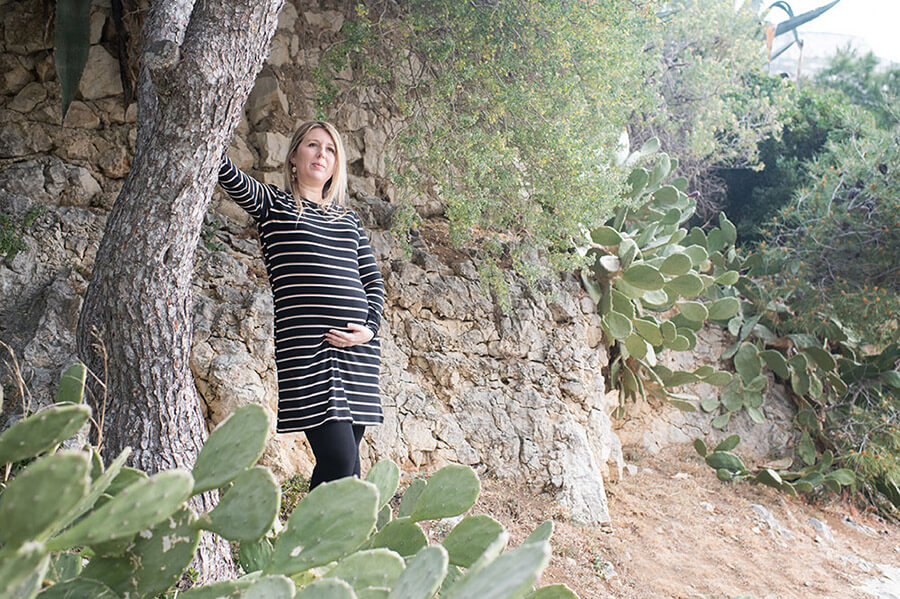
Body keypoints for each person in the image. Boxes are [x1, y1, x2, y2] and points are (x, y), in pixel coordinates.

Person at [217, 120, 385, 490]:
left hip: (358, 355)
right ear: (293, 156)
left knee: (341, 467)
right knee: (341, 460)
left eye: (330, 149)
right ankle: (324, 545)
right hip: (309, 352)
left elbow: (373, 283)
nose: (321, 154)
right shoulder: (273, 205)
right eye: (313, 145)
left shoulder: (348, 221)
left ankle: (309, 546)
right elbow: (224, 171)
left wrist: (369, 329)